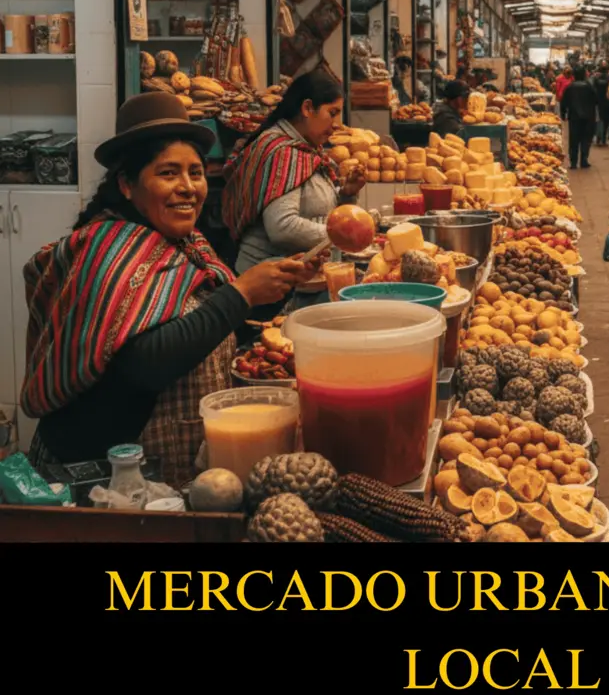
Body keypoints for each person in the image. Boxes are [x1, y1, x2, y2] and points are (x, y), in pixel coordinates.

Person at [20, 92, 321, 487]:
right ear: (127, 184)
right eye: (168, 173)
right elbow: (144, 363)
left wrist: (279, 284)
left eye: (195, 173)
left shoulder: (186, 245)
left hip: (167, 474)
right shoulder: (107, 249)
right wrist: (242, 292)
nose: (188, 187)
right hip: (106, 484)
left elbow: (212, 324)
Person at [223, 70, 366, 276]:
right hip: (269, 285)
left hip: (300, 277)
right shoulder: (283, 153)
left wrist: (347, 194)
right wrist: (342, 236)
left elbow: (318, 211)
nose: (337, 124)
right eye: (332, 113)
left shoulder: (305, 149)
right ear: (307, 108)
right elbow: (282, 227)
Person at [560, 65, 598, 170]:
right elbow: (596, 100)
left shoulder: (569, 87)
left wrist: (563, 114)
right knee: (586, 138)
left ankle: (573, 162)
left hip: (574, 117)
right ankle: (584, 160)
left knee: (574, 139)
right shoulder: (589, 86)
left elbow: (564, 102)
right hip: (588, 117)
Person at [592, 62, 609, 146]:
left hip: (598, 102)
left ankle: (598, 138)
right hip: (607, 102)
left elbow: (593, 90)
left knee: (598, 121)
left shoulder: (596, 79)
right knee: (606, 121)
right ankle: (603, 140)